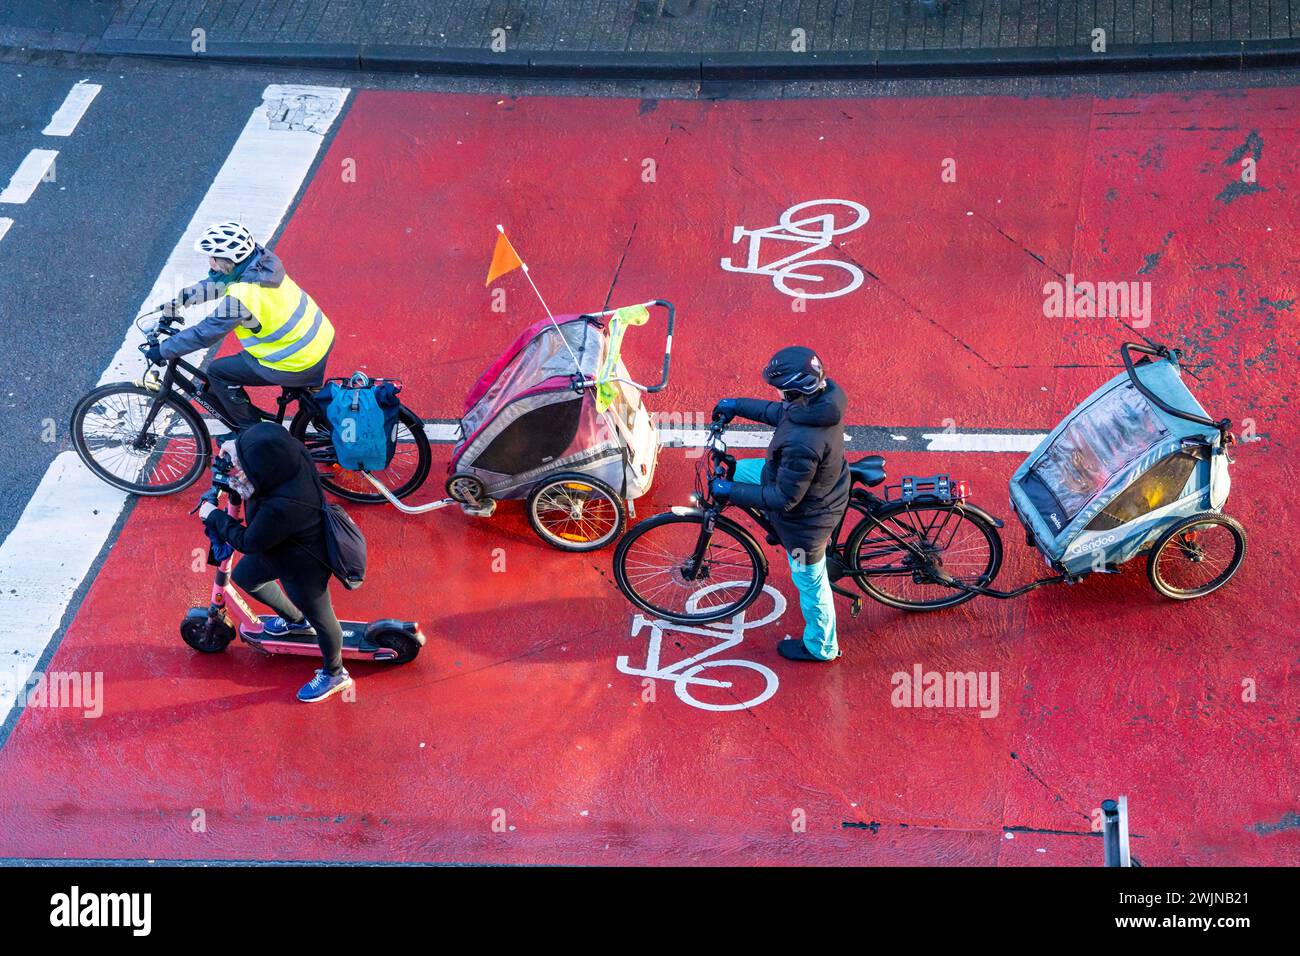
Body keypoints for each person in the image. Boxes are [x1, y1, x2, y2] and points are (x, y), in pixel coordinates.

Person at [710, 346, 850, 662]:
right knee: (741, 471)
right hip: (815, 481)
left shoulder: (803, 441)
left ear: (793, 389)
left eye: (780, 388)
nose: (777, 394)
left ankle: (822, 647)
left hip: (807, 522)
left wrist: (728, 490)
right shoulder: (818, 401)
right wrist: (736, 406)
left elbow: (785, 500)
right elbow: (780, 414)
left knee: (812, 588)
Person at [200, 422, 352, 703]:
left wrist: (213, 516)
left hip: (303, 562)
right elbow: (259, 444)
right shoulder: (292, 455)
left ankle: (336, 673)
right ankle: (295, 621)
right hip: (281, 546)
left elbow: (247, 542)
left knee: (323, 619)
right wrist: (236, 449)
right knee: (246, 576)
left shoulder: (284, 506)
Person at [147, 222, 335, 432]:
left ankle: (252, 432)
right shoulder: (262, 263)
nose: (210, 263)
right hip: (317, 338)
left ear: (230, 260)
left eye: (214, 258)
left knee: (218, 372)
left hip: (294, 357)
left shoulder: (244, 294)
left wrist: (163, 350)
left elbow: (205, 333)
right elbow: (216, 284)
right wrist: (178, 301)